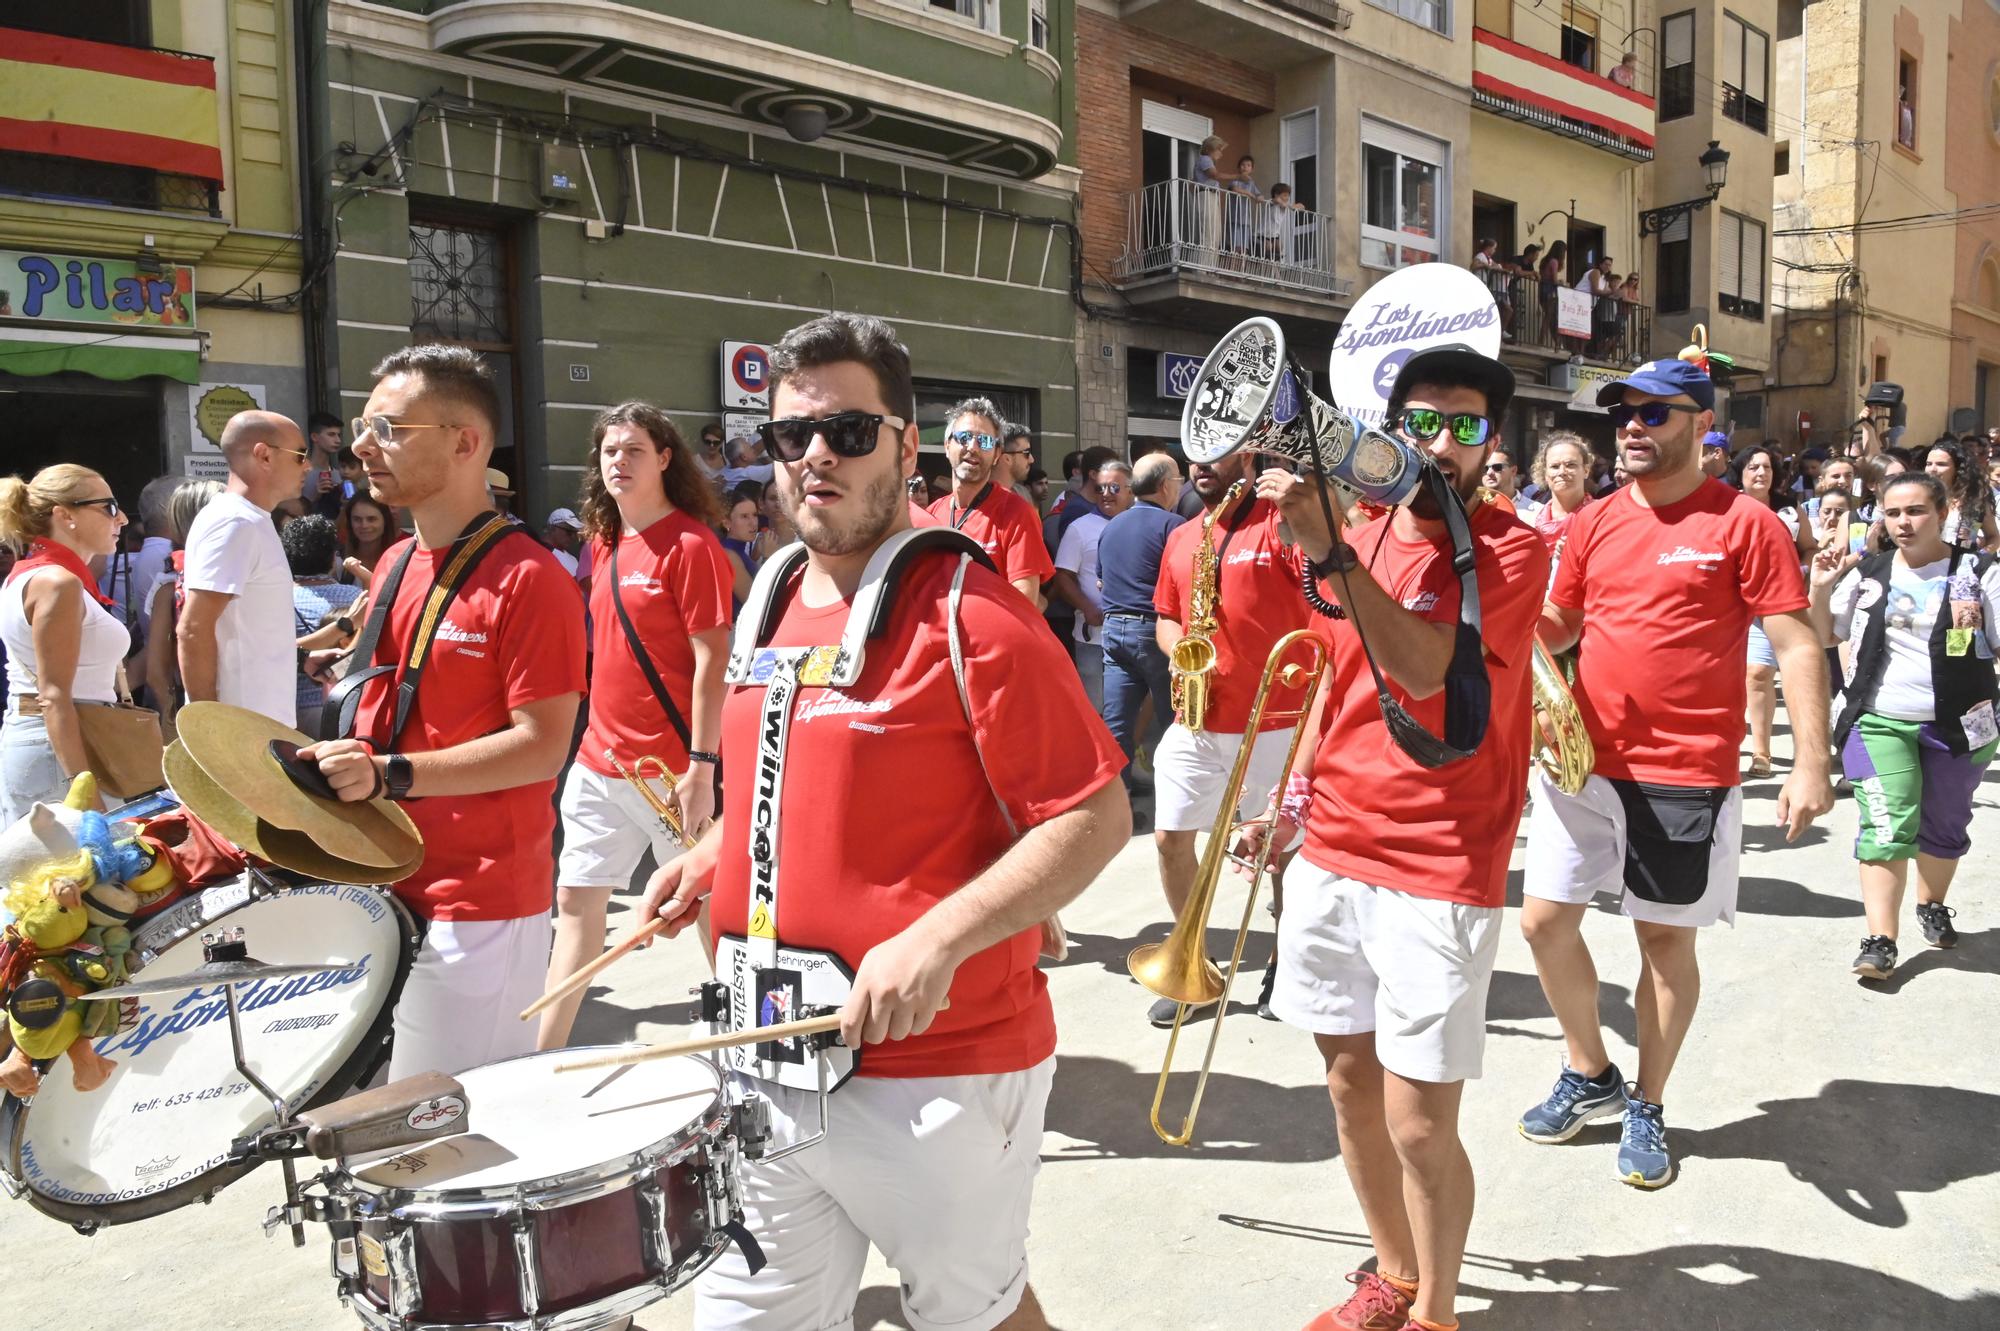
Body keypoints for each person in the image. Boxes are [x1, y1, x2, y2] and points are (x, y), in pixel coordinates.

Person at [638, 312, 1128, 1331]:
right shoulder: (768, 596)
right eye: (790, 435)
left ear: (907, 445)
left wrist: (939, 935)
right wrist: (714, 852)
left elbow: (1091, 816)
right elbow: (792, 779)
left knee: (978, 1316)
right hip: (760, 1050)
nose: (815, 455)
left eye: (848, 432)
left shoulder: (972, 610)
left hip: (937, 1071)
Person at [1251, 343, 1546, 1331]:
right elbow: (1333, 679)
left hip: (1438, 862)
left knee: (1419, 1122)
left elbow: (1421, 667)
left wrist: (1330, 552)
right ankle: (1394, 1271)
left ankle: (1438, 1311)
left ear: (1489, 443)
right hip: (1332, 847)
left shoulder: (1509, 548)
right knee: (1347, 1090)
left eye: (1461, 425)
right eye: (1419, 422)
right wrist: (1286, 802)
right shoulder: (1360, 527)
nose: (1437, 443)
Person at [1517, 356, 1834, 1190]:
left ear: (1699, 424)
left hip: (1684, 771)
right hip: (1580, 763)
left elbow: (1796, 642)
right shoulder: (1593, 520)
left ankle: (1649, 1101)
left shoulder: (1744, 522)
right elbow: (1558, 626)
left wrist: (1810, 758)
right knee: (1544, 922)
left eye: (1653, 414)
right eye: (1623, 412)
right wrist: (1497, 606)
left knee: (1661, 944)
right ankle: (1591, 1072)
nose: (1630, 426)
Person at [299, 344, 587, 1081]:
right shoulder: (397, 559)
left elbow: (542, 747)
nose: (363, 446)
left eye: (390, 429)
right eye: (365, 426)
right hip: (378, 883)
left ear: (466, 442)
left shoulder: (531, 578)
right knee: (382, 1128)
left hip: (477, 902)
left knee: (462, 1133)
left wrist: (388, 773)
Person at [537, 402, 732, 1051]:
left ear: (665, 458)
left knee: (713, 917)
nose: (618, 461)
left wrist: (702, 767)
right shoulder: (603, 541)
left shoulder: (693, 545)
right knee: (574, 908)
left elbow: (713, 660)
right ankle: (544, 1058)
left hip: (673, 774)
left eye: (633, 450)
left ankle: (751, 1045)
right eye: (609, 451)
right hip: (598, 762)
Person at [1808, 471, 1999, 978]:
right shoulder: (1870, 572)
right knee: (1886, 826)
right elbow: (1825, 634)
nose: (1903, 522)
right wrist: (1820, 589)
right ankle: (1880, 940)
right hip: (1878, 720)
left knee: (1945, 825)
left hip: (1960, 725)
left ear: (1941, 513)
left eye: (1915, 511)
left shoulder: (1979, 571)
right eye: (1893, 513)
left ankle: (1931, 904)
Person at [1148, 447, 1311, 1027]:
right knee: (1170, 839)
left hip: (1276, 717)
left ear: (1246, 457)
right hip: (1196, 718)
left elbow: (1325, 607)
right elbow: (1166, 615)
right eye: (1194, 455)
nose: (1202, 465)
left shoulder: (1280, 522)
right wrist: (1180, 654)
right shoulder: (1182, 534)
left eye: (1217, 454)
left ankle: (1285, 962)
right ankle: (1195, 963)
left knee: (1283, 853)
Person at [0, 466, 130, 822]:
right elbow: (53, 695)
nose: (121, 518)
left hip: (52, 743)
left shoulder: (36, 575)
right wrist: (83, 791)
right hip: (59, 749)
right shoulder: (57, 582)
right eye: (109, 506)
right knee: (78, 871)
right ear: (64, 515)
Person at [177, 410, 311, 725]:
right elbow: (193, 628)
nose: (309, 465)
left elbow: (246, 628)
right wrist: (208, 727)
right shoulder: (235, 522)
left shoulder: (248, 520)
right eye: (300, 455)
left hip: (254, 724)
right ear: (264, 455)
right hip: (240, 729)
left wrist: (301, 659)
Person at [1097, 452, 1185, 818]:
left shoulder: (1110, 526)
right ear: (1165, 486)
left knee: (1116, 725)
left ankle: (1117, 810)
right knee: (1175, 724)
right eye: (1179, 481)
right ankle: (1176, 808)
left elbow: (1101, 580)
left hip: (1113, 630)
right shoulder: (1173, 526)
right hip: (1154, 631)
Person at [928, 397, 1054, 604]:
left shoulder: (1017, 514)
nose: (973, 447)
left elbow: (1024, 601)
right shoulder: (931, 515)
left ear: (996, 455)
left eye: (985, 441)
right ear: (947, 445)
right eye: (964, 437)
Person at [1735, 444, 1801, 778]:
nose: (1761, 473)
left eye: (1767, 468)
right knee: (1732, 678)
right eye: (1753, 468)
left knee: (1759, 674)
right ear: (1742, 473)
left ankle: (1762, 751)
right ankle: (1730, 741)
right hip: (1733, 604)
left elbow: (1809, 548)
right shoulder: (1726, 507)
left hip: (1773, 603)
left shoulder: (1789, 509)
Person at [1052, 459, 1133, 709]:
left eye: (1114, 488)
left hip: (1134, 637)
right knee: (1094, 708)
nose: (1106, 495)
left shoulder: (1140, 525)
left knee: (1129, 708)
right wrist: (1086, 607)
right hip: (1092, 640)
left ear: (1132, 490)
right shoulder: (1079, 528)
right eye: (1101, 488)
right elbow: (1062, 576)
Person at [283, 514, 364, 737]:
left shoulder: (277, 600)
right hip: (346, 704)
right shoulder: (356, 597)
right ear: (332, 558)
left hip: (289, 707)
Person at [97, 475, 176, 646]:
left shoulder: (155, 550)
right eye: (109, 508)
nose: (122, 519)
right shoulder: (165, 552)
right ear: (173, 509)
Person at [1525, 433, 1594, 554]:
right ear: (1545, 474)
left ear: (1586, 470)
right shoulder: (1529, 521)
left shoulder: (1601, 517)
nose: (1562, 472)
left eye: (1570, 465)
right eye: (1555, 466)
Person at [1926, 439, 1999, 552]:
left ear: (1957, 468)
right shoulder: (1921, 496)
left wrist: (1981, 556)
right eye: (1929, 464)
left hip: (1960, 564)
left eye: (1941, 464)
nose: (1932, 469)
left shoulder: (1975, 500)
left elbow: (1993, 536)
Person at [303, 411, 350, 518]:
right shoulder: (300, 473)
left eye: (339, 435)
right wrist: (315, 496)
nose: (338, 440)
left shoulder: (340, 474)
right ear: (315, 437)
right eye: (331, 434)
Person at [340, 494, 396, 582]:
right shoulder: (338, 561)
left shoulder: (399, 561)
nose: (364, 525)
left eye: (371, 519)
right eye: (357, 519)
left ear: (385, 521)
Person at [720, 490, 762, 608]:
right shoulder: (729, 555)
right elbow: (755, 604)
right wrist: (768, 558)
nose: (753, 523)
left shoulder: (736, 551)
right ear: (726, 522)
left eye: (755, 515)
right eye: (744, 516)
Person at [1482, 444, 1535, 522]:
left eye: (1497, 467)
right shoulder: (1469, 509)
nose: (1489, 472)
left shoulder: (1536, 512)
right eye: (1485, 468)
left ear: (1513, 471)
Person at [1002, 424, 1038, 507]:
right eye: (1026, 453)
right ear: (1007, 458)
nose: (1031, 460)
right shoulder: (977, 496)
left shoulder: (1023, 494)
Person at [542, 508, 582, 576]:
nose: (573, 536)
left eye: (575, 532)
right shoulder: (541, 555)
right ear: (552, 528)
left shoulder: (573, 559)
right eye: (568, 531)